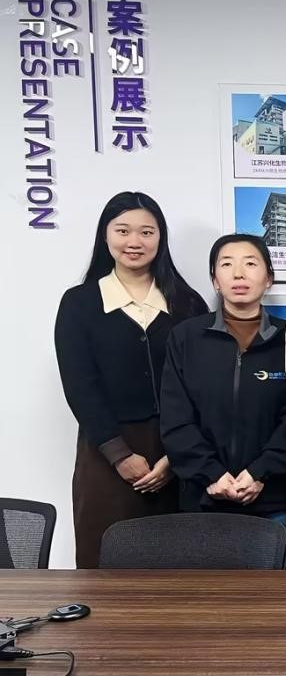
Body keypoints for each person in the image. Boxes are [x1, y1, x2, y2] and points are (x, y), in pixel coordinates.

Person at [54, 191, 208, 567]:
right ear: (105, 235)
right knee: (105, 565)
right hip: (106, 454)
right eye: (122, 230)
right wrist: (119, 455)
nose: (134, 241)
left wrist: (176, 456)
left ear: (160, 238)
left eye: (146, 232)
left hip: (179, 452)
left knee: (177, 568)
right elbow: (79, 385)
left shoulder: (188, 304)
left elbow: (204, 386)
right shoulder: (80, 303)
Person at [160, 234, 286, 565]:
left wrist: (260, 472)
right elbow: (176, 417)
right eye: (227, 265)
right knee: (206, 595)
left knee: (271, 594)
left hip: (274, 499)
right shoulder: (186, 337)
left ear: (269, 278)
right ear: (215, 280)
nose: (239, 273)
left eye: (250, 264)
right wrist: (211, 473)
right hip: (203, 497)